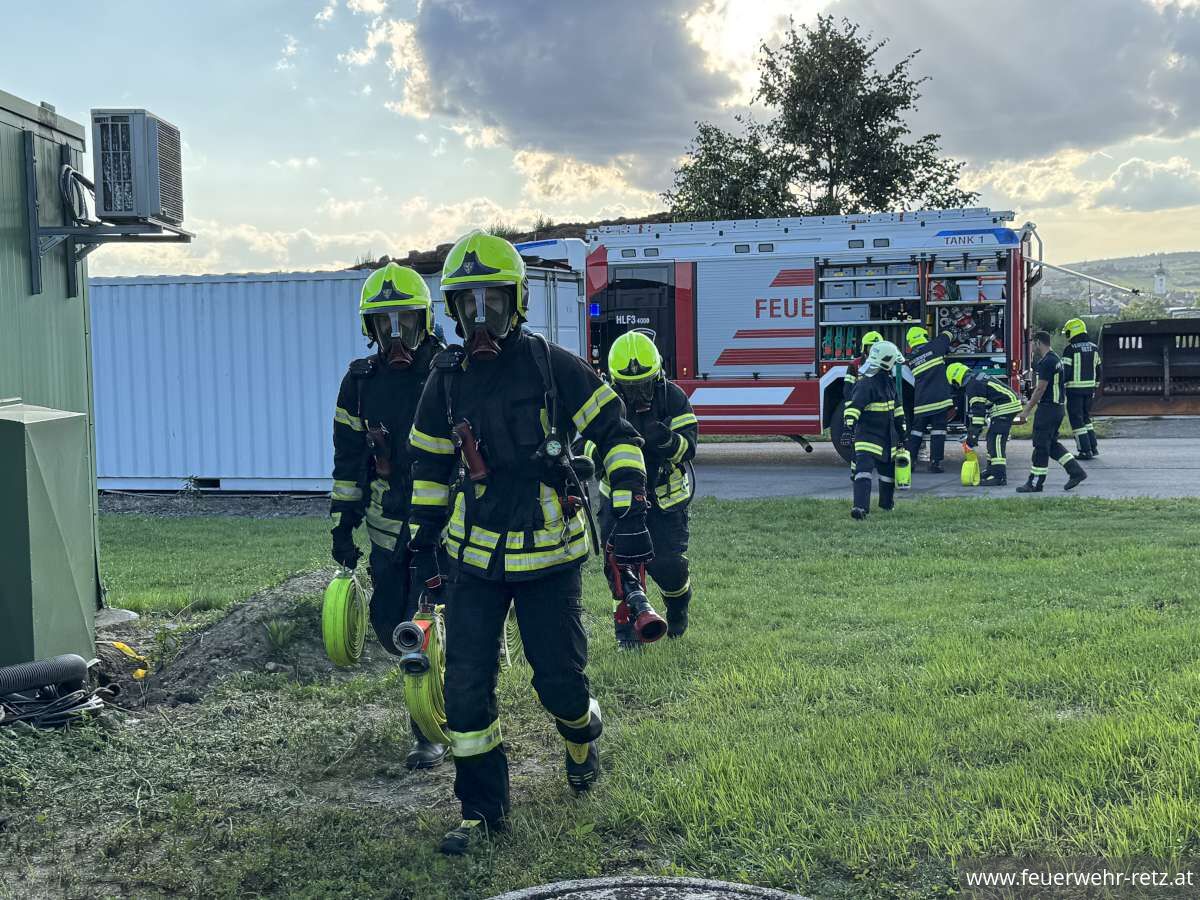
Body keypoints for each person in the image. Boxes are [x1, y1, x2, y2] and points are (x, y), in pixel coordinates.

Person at [406, 231, 651, 855]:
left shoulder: (553, 365)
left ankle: (580, 737)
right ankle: (481, 811)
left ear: (516, 302)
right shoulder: (446, 380)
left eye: (492, 302)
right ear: (453, 311)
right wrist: (423, 541)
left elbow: (616, 433)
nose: (480, 317)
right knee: (464, 687)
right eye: (467, 304)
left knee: (559, 684)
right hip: (474, 557)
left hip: (549, 554)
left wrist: (626, 504)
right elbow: (430, 468)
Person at [329, 263, 447, 769]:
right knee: (389, 625)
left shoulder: (451, 371)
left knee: (431, 627)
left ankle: (433, 731)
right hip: (386, 530)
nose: (396, 335)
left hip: (443, 526)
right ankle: (431, 714)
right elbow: (347, 460)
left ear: (424, 321)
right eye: (384, 323)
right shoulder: (359, 384)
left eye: (405, 321)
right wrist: (342, 523)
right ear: (370, 329)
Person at [584, 330, 698, 649]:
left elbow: (688, 449)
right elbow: (586, 447)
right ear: (613, 380)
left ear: (658, 373)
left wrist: (663, 439)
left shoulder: (672, 397)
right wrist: (605, 458)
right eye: (629, 386)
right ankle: (629, 629)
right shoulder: (603, 400)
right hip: (618, 497)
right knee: (618, 565)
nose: (638, 393)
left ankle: (677, 608)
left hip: (664, 498)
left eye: (644, 383)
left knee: (667, 565)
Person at [841, 340, 907, 519]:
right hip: (867, 436)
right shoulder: (866, 384)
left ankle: (886, 506)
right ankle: (860, 508)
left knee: (887, 475)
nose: (895, 366)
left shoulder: (890, 384)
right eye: (894, 362)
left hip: (887, 438)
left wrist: (902, 434)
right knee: (863, 470)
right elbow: (854, 407)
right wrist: (848, 429)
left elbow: (898, 410)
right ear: (887, 362)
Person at [1016, 331, 1088, 493]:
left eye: (1033, 343)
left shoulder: (1047, 362)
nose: (1033, 347)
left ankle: (1035, 483)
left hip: (1048, 409)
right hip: (1057, 408)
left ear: (1038, 343)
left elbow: (1041, 388)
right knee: (1052, 445)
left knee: (1041, 446)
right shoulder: (1056, 359)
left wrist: (1026, 411)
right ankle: (1076, 472)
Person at [946, 362, 1022, 486]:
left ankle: (999, 476)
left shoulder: (972, 385)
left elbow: (978, 411)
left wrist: (973, 434)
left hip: (1005, 406)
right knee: (991, 437)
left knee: (996, 439)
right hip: (1007, 404)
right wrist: (974, 431)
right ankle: (991, 470)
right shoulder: (975, 379)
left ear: (955, 380)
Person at [904, 325, 956, 473]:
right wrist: (948, 328)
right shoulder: (934, 347)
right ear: (924, 337)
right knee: (938, 432)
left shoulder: (912, 359)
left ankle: (910, 462)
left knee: (916, 432)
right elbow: (947, 336)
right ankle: (935, 464)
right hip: (939, 401)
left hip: (921, 403)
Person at [842, 330, 883, 482]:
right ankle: (855, 473)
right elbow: (847, 390)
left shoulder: (885, 365)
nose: (872, 350)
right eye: (870, 347)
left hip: (880, 413)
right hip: (861, 412)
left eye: (876, 347)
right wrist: (850, 417)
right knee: (858, 444)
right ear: (864, 348)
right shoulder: (854, 365)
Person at [1061, 317, 1101, 459]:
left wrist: (1059, 386)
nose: (1067, 336)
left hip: (1074, 391)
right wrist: (1095, 387)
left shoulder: (1070, 349)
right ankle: (1093, 447)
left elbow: (1065, 372)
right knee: (1086, 419)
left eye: (1067, 333)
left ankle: (1085, 450)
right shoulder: (1094, 348)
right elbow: (1099, 370)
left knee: (1077, 421)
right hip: (1089, 390)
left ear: (1073, 332)